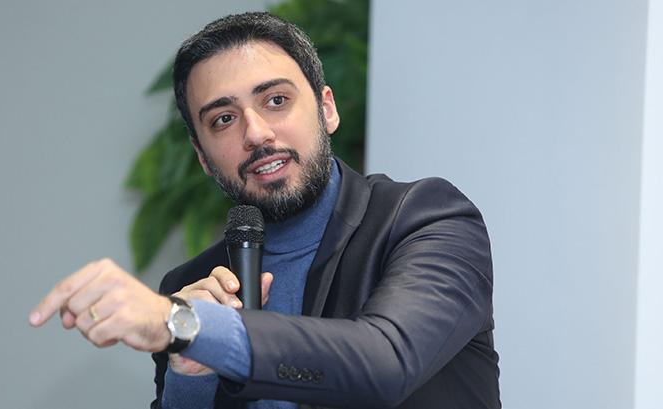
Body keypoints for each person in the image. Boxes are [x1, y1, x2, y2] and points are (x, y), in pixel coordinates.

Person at [29, 11, 501, 409]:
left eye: (276, 100)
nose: (255, 133)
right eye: (223, 119)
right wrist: (191, 370)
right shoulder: (191, 286)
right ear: (202, 156)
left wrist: (188, 327)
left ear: (326, 109)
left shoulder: (425, 219)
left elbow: (386, 363)